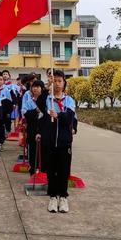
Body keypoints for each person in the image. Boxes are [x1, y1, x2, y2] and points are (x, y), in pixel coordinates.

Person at [36, 70, 77, 214]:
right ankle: (53, 197)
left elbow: (70, 118)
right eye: (55, 81)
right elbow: (39, 104)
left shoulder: (69, 100)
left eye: (60, 81)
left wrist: (58, 115)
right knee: (51, 170)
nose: (58, 84)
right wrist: (47, 88)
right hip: (49, 142)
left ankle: (63, 197)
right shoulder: (48, 100)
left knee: (63, 171)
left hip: (64, 143)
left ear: (64, 83)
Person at [21, 80, 44, 175]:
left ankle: (41, 170)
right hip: (32, 129)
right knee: (32, 149)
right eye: (34, 86)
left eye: (38, 87)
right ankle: (33, 169)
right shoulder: (29, 101)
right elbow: (25, 113)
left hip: (43, 130)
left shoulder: (46, 101)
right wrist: (36, 111)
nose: (35, 88)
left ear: (42, 89)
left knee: (42, 151)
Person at [0, 71, 13, 148]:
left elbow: (9, 102)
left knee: (1, 127)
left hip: (3, 112)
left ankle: (1, 142)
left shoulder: (6, 90)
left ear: (3, 81)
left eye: (1, 79)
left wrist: (8, 112)